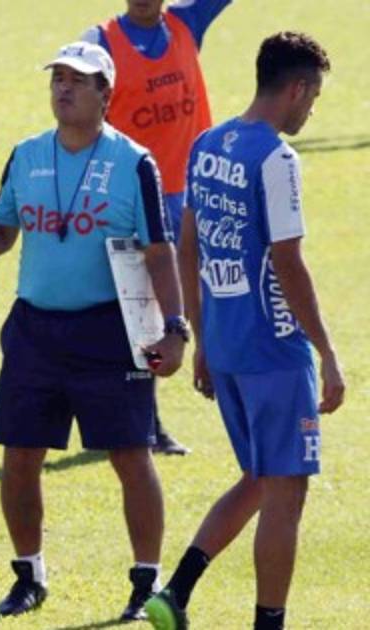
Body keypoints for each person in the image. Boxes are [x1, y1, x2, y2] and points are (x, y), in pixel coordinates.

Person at [0, 42, 189, 621]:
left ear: (106, 94)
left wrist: (175, 328)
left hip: (109, 330)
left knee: (131, 455)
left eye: (78, 80)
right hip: (35, 331)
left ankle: (145, 581)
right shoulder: (26, 156)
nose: (64, 89)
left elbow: (159, 251)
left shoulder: (134, 163)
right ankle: (29, 576)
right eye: (58, 79)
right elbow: (0, 237)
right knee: (20, 455)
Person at [144, 31, 342, 630]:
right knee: (286, 492)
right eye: (313, 98)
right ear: (297, 88)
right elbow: (288, 263)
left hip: (227, 347)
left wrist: (201, 337)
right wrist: (327, 352)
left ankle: (175, 593)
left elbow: (188, 246)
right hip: (273, 351)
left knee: (259, 477)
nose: (311, 111)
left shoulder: (206, 144)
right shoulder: (277, 160)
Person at [81, 0, 236, 456]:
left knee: (208, 299)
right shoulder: (101, 43)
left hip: (193, 200)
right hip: (136, 202)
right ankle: (145, 421)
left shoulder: (187, 23)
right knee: (142, 318)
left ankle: (224, 389)